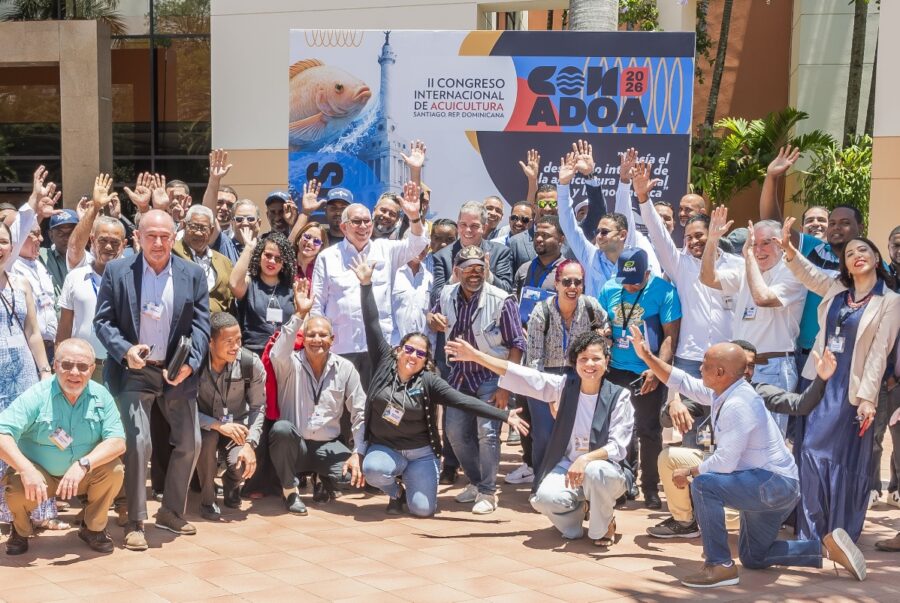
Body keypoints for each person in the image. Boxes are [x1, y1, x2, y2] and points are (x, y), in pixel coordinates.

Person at [633, 340, 867, 588]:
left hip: (773, 485)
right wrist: (648, 356)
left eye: (704, 365)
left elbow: (724, 463)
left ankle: (719, 565)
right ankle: (825, 548)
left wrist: (690, 472)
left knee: (703, 485)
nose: (699, 369)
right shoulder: (726, 390)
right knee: (755, 557)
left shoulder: (738, 404)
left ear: (720, 373)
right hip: (772, 485)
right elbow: (681, 380)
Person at [353, 258, 527, 516]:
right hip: (387, 448)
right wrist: (366, 285)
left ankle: (469, 486)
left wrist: (505, 414)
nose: (412, 356)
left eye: (420, 354)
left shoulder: (429, 380)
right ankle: (396, 491)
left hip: (421, 452)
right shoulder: (383, 362)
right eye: (408, 349)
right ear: (398, 350)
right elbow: (372, 324)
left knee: (422, 510)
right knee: (374, 469)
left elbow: (463, 401)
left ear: (426, 361)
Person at [633, 332, 836, 539]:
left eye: (750, 366)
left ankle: (721, 557)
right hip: (717, 466)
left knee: (709, 489)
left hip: (747, 477)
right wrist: (673, 404)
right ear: (723, 368)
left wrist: (822, 379)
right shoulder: (713, 390)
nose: (745, 371)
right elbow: (677, 393)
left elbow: (800, 404)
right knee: (670, 459)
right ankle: (685, 522)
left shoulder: (757, 394)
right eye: (740, 364)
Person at [775, 224, 900, 542]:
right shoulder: (836, 290)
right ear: (844, 264)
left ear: (876, 258)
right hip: (817, 383)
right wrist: (789, 250)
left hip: (851, 391)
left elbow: (879, 353)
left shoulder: (890, 302)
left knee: (838, 458)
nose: (856, 256)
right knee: (809, 450)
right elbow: (810, 274)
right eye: (849, 253)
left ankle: (837, 530)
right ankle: (811, 529)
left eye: (863, 250)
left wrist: (869, 397)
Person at [447, 332, 632, 546]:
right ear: (575, 363)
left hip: (607, 472)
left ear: (607, 361)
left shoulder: (620, 396)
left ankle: (604, 524)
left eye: (596, 358)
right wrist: (477, 356)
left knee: (594, 470)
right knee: (543, 499)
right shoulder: (563, 387)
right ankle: (580, 515)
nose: (590, 364)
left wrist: (585, 459)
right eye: (583, 359)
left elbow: (618, 446)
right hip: (569, 467)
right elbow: (520, 375)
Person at [95, 209, 210, 551]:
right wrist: (124, 350)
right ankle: (135, 520)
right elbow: (103, 322)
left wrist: (191, 362)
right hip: (135, 370)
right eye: (151, 236)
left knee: (191, 443)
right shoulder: (118, 272)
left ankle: (171, 512)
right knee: (138, 442)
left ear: (174, 237)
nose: (158, 243)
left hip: (177, 371)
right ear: (138, 238)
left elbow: (202, 324)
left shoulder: (192, 273)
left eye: (165, 236)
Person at [632, 163, 743, 450]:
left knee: (727, 436)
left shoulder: (737, 266)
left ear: (714, 234)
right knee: (690, 436)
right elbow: (658, 233)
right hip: (690, 362)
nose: (693, 241)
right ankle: (690, 493)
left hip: (728, 362)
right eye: (689, 237)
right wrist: (643, 198)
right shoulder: (679, 264)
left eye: (700, 236)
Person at [0, 339, 126, 555]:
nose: (74, 372)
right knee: (17, 485)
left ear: (92, 369)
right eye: (67, 365)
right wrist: (26, 470)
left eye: (82, 366)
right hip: (40, 475)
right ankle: (20, 531)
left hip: (83, 474)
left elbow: (118, 441)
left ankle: (93, 529)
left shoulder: (101, 396)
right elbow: (2, 433)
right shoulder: (37, 395)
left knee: (114, 470)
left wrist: (84, 464)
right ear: (55, 365)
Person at [428, 245, 526, 514]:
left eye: (479, 268)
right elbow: (434, 315)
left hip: (490, 377)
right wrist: (432, 318)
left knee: (488, 433)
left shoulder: (502, 299)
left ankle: (488, 491)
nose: (474, 274)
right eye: (468, 268)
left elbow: (517, 344)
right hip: (458, 376)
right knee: (455, 433)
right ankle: (474, 481)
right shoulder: (447, 293)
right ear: (457, 271)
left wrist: (507, 385)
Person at [312, 181, 427, 390]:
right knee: (342, 413)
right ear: (343, 226)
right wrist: (320, 343)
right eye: (357, 222)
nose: (364, 226)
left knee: (375, 410)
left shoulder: (386, 250)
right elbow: (317, 305)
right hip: (340, 347)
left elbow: (418, 244)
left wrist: (414, 217)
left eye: (367, 221)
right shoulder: (327, 257)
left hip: (378, 348)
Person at [700, 207, 806, 434]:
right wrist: (712, 240)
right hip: (739, 369)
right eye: (753, 244)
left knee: (768, 440)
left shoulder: (792, 271)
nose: (758, 250)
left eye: (765, 243)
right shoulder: (747, 269)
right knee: (735, 436)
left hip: (774, 369)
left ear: (780, 243)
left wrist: (747, 257)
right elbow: (708, 278)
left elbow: (763, 297)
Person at [759, 146, 862, 377]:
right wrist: (772, 178)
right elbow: (773, 223)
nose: (836, 227)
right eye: (833, 222)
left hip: (849, 359)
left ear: (860, 227)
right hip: (805, 354)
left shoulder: (870, 263)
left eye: (843, 222)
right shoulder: (813, 249)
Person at [268, 281, 366, 515]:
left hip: (328, 446)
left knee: (349, 478)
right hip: (297, 445)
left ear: (332, 340)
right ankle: (290, 491)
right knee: (281, 429)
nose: (316, 340)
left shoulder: (345, 368)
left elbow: (360, 410)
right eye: (311, 335)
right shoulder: (289, 362)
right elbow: (277, 351)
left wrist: (358, 452)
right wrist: (300, 314)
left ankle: (323, 479)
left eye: (323, 335)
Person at [597, 248, 680, 508]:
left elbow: (670, 336)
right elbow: (600, 322)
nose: (630, 285)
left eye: (636, 280)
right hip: (615, 371)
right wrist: (604, 329)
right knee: (619, 431)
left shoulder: (664, 292)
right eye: (626, 280)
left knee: (649, 430)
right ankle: (622, 483)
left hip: (646, 372)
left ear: (647, 272)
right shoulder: (610, 289)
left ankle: (650, 487)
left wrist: (657, 369)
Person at [517, 260, 608, 485]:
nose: (572, 286)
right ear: (556, 284)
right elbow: (534, 360)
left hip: (579, 376)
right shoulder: (542, 311)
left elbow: (606, 325)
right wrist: (551, 395)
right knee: (545, 436)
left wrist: (603, 334)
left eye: (578, 282)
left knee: (579, 434)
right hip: (545, 376)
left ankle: (576, 485)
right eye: (566, 281)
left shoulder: (590, 306)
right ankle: (541, 483)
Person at [0, 214, 58, 535]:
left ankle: (34, 510)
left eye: (4, 240)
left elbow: (33, 332)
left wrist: (45, 372)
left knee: (26, 441)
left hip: (22, 373)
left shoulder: (21, 284)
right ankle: (5, 514)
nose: (0, 246)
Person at [556, 144, 659, 298]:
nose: (598, 236)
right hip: (596, 322)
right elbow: (569, 226)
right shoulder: (590, 256)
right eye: (598, 231)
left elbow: (623, 215)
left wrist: (624, 182)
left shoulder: (635, 255)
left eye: (604, 232)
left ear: (623, 235)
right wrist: (563, 185)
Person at [195, 312, 265, 520]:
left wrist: (250, 444)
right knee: (206, 440)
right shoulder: (195, 364)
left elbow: (258, 407)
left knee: (242, 461)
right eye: (228, 341)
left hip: (237, 427)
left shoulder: (250, 363)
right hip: (204, 426)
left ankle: (231, 483)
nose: (236, 346)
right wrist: (216, 425)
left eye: (239, 340)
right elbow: (183, 408)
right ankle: (207, 500)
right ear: (210, 342)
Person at [57, 214, 127, 383]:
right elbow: (65, 325)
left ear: (124, 245)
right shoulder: (75, 277)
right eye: (103, 240)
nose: (109, 246)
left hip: (121, 366)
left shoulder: (132, 279)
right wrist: (59, 361)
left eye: (115, 242)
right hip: (81, 368)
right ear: (92, 240)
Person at [229, 231, 296, 357]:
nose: (272, 261)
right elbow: (234, 284)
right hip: (253, 355)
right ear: (259, 255)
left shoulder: (291, 289)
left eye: (278, 258)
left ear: (284, 263)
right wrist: (249, 248)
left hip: (283, 355)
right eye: (268, 255)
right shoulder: (249, 283)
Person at [431, 200, 513, 297]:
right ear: (458, 225)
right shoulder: (442, 256)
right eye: (463, 224)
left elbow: (507, 292)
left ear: (484, 227)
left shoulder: (500, 252)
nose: (468, 230)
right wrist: (453, 281)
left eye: (474, 226)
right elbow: (435, 298)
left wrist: (489, 277)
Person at [174, 205, 235, 314]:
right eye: (193, 226)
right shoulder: (171, 252)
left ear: (211, 231)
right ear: (184, 225)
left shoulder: (224, 262)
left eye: (203, 228)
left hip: (217, 326)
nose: (198, 233)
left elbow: (230, 299)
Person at [11, 222, 58, 363]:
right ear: (18, 237)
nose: (41, 239)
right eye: (35, 234)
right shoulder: (10, 266)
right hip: (26, 348)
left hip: (50, 346)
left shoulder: (39, 264)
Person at [40, 209, 79, 295]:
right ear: (51, 235)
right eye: (61, 233)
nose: (67, 238)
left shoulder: (89, 259)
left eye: (71, 233)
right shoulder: (43, 256)